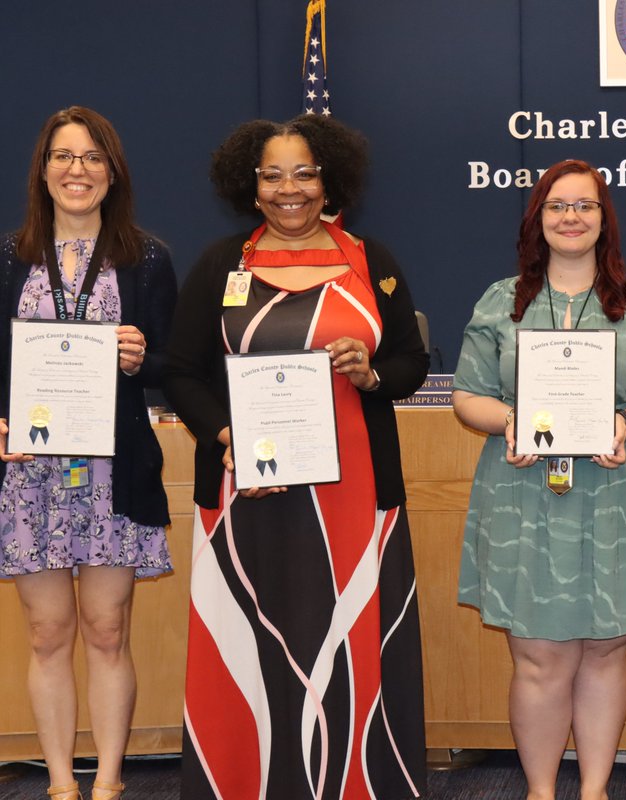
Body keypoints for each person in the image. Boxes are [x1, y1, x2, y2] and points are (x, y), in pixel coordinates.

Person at [163, 115, 429, 799]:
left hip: (354, 498)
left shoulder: (372, 261)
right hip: (246, 494)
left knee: (342, 640)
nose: (290, 189)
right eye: (273, 175)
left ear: (327, 179)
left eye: (304, 173)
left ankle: (353, 782)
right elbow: (182, 370)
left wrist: (372, 374)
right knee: (258, 642)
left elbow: (410, 361)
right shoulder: (222, 263)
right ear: (251, 188)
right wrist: (224, 436)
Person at [453, 159, 626, 800]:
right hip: (523, 492)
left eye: (585, 206)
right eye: (558, 206)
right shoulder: (499, 301)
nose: (571, 218)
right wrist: (510, 421)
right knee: (539, 656)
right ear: (538, 219)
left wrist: (625, 421)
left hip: (619, 491)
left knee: (607, 649)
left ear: (603, 220)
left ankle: (593, 791)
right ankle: (539, 791)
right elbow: (466, 395)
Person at [0, 106, 176, 800]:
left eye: (92, 157)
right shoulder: (10, 259)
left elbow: (176, 363)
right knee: (47, 634)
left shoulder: (147, 257)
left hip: (114, 471)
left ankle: (106, 781)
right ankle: (58, 783)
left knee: (106, 630)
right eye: (64, 157)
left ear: (113, 172)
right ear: (43, 172)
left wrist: (140, 358)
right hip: (31, 474)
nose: (78, 171)